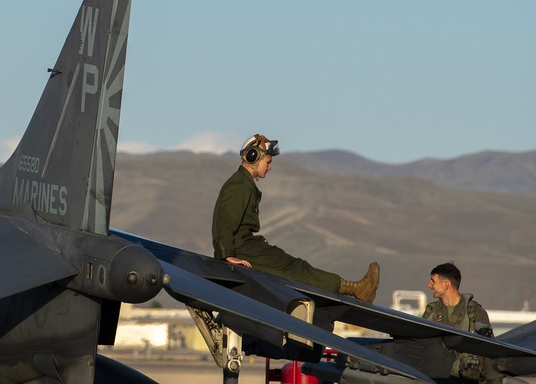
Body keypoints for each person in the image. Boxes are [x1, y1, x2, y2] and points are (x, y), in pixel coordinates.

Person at [211, 134, 380, 302]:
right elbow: (224, 221)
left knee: (292, 264)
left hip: (248, 246)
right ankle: (355, 289)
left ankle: (352, 288)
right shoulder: (239, 186)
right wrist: (227, 255)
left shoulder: (244, 183)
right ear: (253, 157)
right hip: (243, 249)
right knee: (294, 268)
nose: (269, 167)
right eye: (268, 162)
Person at [422, 262, 501, 383]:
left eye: (433, 281)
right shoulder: (431, 311)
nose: (429, 285)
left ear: (446, 284)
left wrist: (495, 381)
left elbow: (489, 351)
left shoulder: (475, 313)